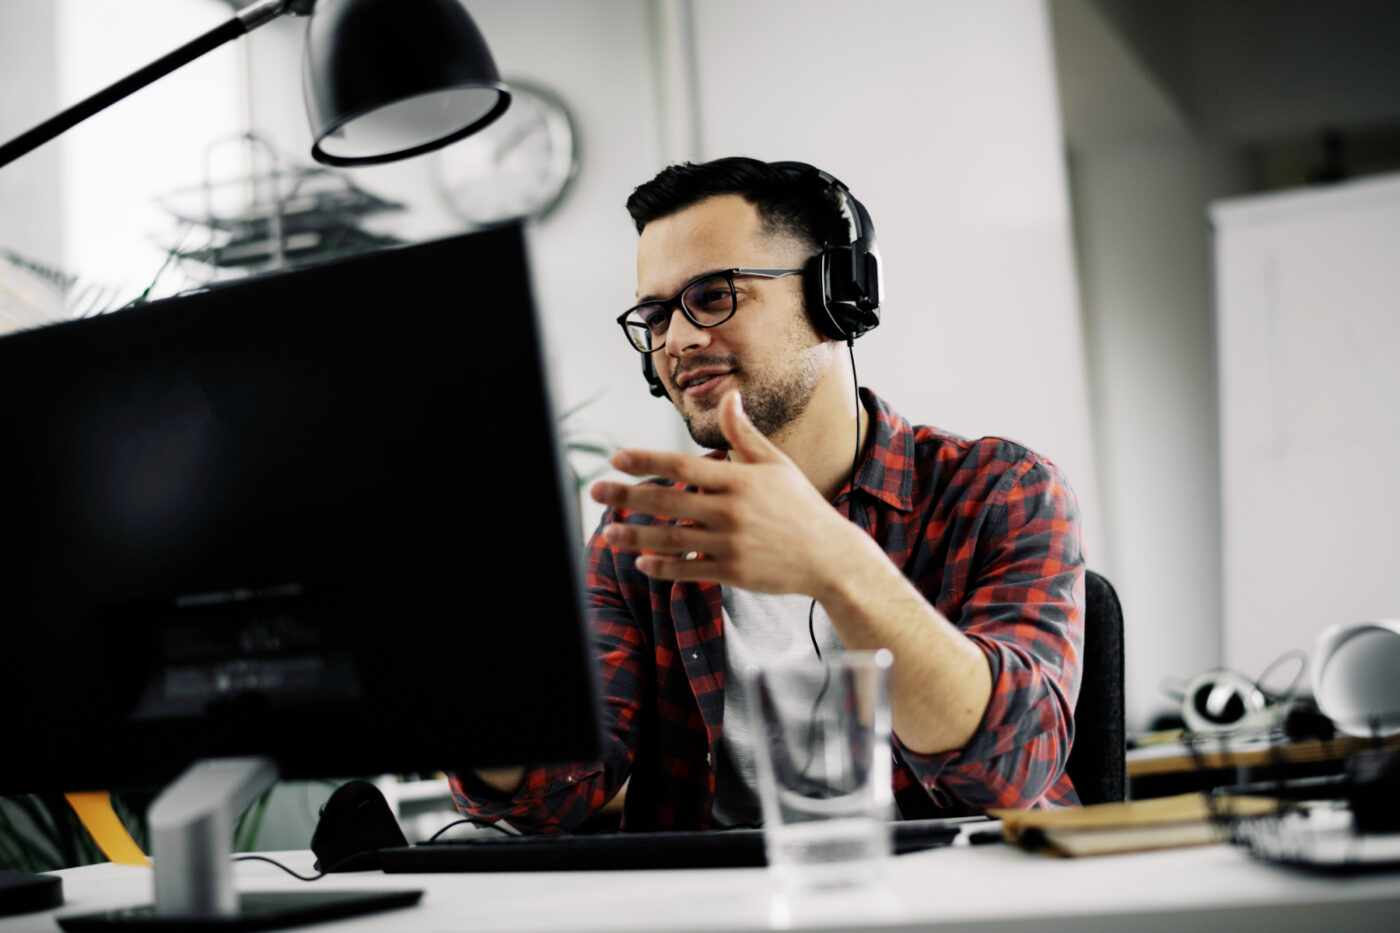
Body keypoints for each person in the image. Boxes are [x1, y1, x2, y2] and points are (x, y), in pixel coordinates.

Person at [449, 157, 1085, 831]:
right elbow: (543, 797)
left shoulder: (998, 490)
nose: (679, 340)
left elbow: (1010, 768)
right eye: (656, 315)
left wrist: (837, 564)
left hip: (968, 899)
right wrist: (474, 662)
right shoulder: (642, 530)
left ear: (836, 296)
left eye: (715, 295)